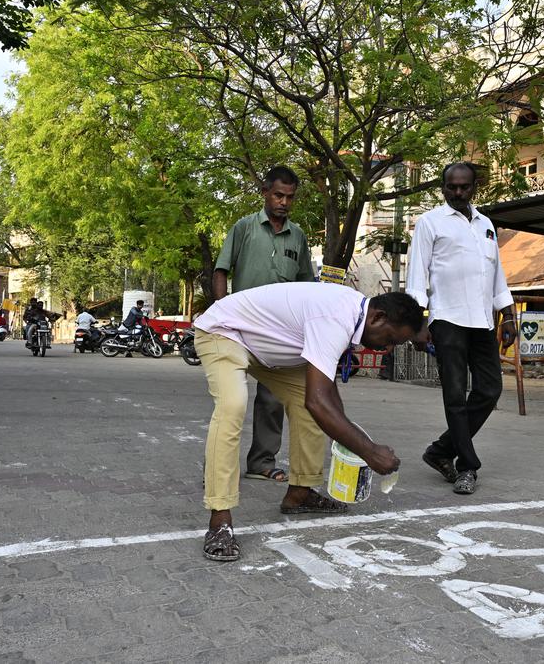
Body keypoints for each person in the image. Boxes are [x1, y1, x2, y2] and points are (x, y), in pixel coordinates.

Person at [193, 284, 422, 562]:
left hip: (266, 347)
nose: (387, 348)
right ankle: (220, 519)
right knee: (233, 405)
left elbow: (326, 395)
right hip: (224, 331)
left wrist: (350, 435)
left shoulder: (353, 317)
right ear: (378, 318)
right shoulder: (336, 318)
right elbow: (319, 401)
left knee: (311, 407)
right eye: (391, 340)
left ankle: (300, 493)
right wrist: (369, 451)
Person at [405, 162, 517, 496]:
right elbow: (416, 276)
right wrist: (417, 323)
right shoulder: (429, 223)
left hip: (483, 320)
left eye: (464, 187)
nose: (457, 192)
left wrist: (508, 315)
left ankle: (440, 450)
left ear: (474, 187)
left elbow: (496, 274)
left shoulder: (486, 225)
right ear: (443, 188)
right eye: (451, 187)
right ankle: (467, 467)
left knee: (490, 390)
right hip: (447, 319)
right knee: (454, 396)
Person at [212, 165, 316, 484]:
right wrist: (221, 313)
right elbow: (221, 271)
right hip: (239, 325)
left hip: (279, 332)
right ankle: (216, 469)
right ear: (265, 193)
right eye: (278, 195)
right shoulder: (244, 228)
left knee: (272, 398)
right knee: (230, 399)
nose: (283, 202)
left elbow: (306, 284)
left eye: (290, 197)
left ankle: (261, 461)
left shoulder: (297, 235)